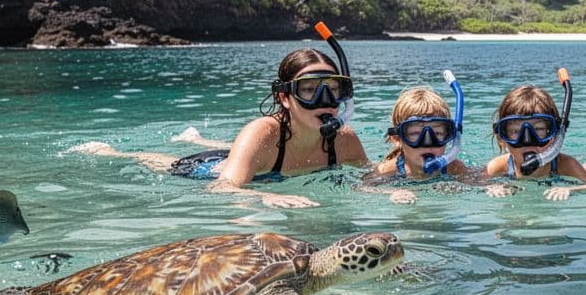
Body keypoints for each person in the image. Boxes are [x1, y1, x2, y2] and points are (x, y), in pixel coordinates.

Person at [72, 48, 368, 208]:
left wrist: (391, 188)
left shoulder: (343, 140)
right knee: (165, 163)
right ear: (284, 97)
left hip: (250, 160)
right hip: (210, 169)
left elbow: (374, 174)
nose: (324, 101)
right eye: (309, 90)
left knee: (234, 151)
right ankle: (115, 152)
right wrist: (267, 196)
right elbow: (222, 187)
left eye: (332, 89)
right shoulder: (262, 133)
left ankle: (196, 137)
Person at [483, 84, 586, 201]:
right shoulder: (498, 167)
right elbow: (475, 184)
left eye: (539, 129)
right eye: (515, 131)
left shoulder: (564, 164)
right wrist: (491, 187)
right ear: (501, 137)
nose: (527, 140)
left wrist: (572, 189)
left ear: (555, 135)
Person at [369, 86, 468, 204]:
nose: (427, 142)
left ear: (448, 135)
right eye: (415, 133)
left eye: (437, 133)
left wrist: (490, 187)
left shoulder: (454, 168)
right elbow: (361, 188)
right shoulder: (388, 170)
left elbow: (478, 183)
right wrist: (392, 192)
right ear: (397, 138)